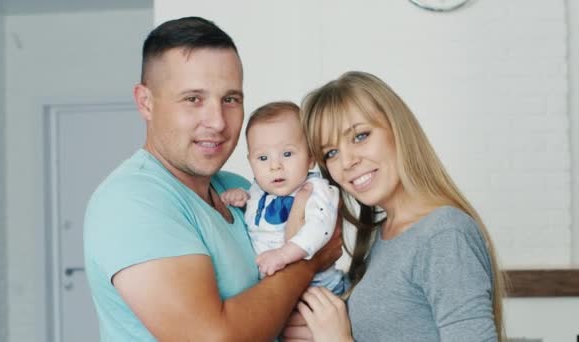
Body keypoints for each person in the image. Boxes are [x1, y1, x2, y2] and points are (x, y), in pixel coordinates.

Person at [83, 17, 342, 341]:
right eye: (194, 99)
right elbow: (212, 338)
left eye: (230, 99)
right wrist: (308, 261)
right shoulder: (130, 202)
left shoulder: (240, 188)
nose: (218, 121)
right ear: (145, 102)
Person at [283, 71, 506, 341]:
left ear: (398, 130)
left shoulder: (444, 234)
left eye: (360, 136)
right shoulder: (383, 235)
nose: (347, 161)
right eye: (331, 152)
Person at [220, 101, 346, 294]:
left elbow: (319, 229)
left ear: (310, 157)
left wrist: (283, 255)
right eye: (263, 158)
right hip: (277, 292)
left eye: (287, 153)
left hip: (320, 290)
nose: (275, 166)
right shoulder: (257, 190)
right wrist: (241, 198)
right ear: (250, 162)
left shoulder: (316, 190)